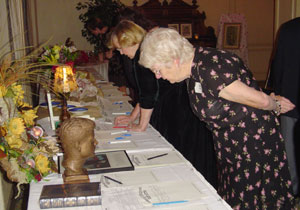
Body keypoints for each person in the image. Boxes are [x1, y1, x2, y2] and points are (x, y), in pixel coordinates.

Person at [139, 27, 296, 209]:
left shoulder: (208, 70)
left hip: (252, 147)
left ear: (174, 61)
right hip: (234, 145)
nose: (159, 76)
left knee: (254, 201)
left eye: (158, 70)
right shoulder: (198, 61)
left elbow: (260, 100)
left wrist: (275, 104)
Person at [108, 20, 218, 188]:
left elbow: (148, 94)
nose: (121, 52)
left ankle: (189, 186)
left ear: (128, 40)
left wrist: (141, 125)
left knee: (182, 149)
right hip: (178, 102)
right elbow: (145, 93)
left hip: (175, 107)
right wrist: (132, 117)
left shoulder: (142, 57)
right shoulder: (145, 51)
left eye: (120, 47)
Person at [267, 17, 300, 196]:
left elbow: (278, 64)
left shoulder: (288, 28)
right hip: (290, 100)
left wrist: (278, 93)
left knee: (291, 155)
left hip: (291, 101)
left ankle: (291, 194)